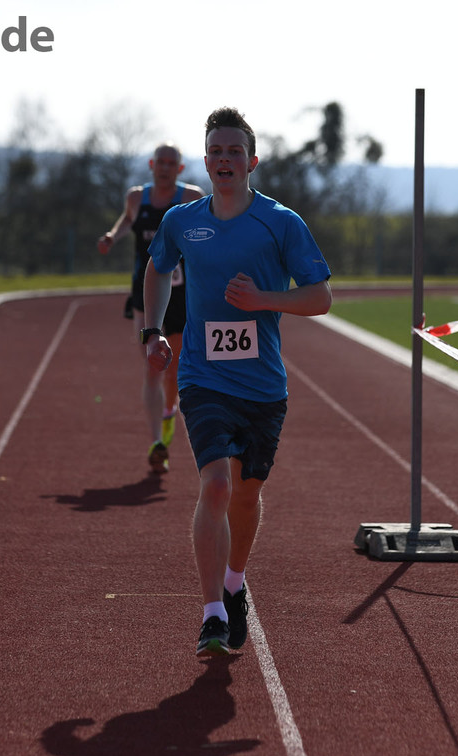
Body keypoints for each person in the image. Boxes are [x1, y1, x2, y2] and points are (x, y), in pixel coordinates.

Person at [143, 107, 332, 656]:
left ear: (252, 161)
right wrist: (153, 329)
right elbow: (157, 268)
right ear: (205, 163)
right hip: (202, 377)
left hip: (263, 386)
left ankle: (234, 583)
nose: (224, 160)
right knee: (217, 485)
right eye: (216, 152)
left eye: (234, 152)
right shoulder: (182, 221)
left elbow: (320, 296)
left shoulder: (281, 222)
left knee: (247, 495)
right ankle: (212, 615)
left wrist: (263, 300)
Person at [97, 144, 204, 474]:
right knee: (152, 366)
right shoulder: (135, 198)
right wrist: (112, 236)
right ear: (151, 164)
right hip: (144, 294)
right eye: (161, 162)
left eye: (172, 163)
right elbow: (127, 221)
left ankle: (169, 411)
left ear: (180, 169)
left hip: (182, 294)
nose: (165, 167)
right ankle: (157, 441)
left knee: (175, 370)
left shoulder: (191, 197)